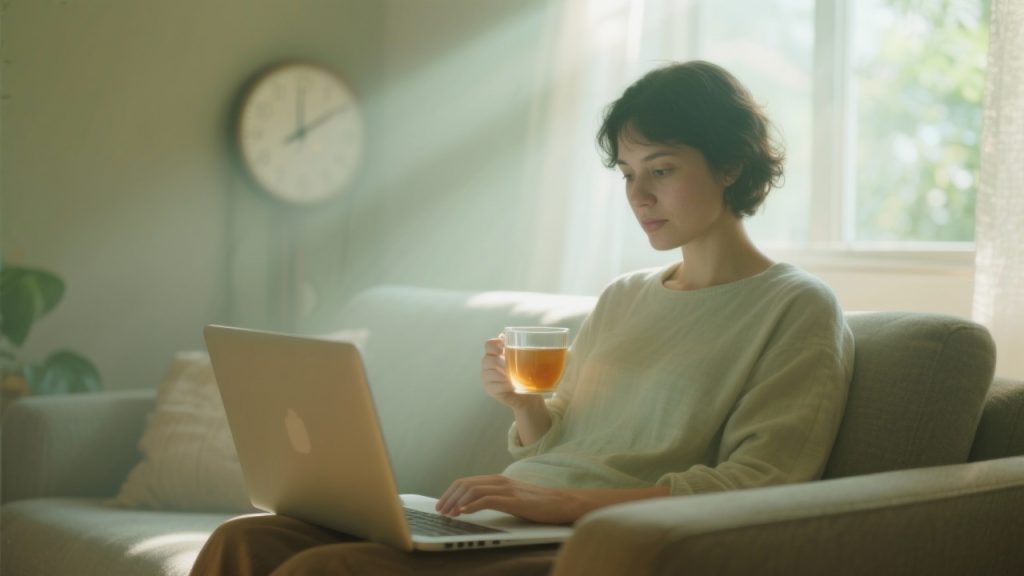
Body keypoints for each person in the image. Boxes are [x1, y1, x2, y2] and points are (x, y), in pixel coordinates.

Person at [189, 60, 854, 575]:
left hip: (593, 537)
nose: (639, 195)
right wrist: (524, 408)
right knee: (242, 541)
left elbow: (757, 486)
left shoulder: (795, 308)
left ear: (732, 164)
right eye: (626, 173)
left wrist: (557, 503)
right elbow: (563, 440)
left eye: (663, 169)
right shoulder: (625, 295)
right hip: (514, 518)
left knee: (327, 571)